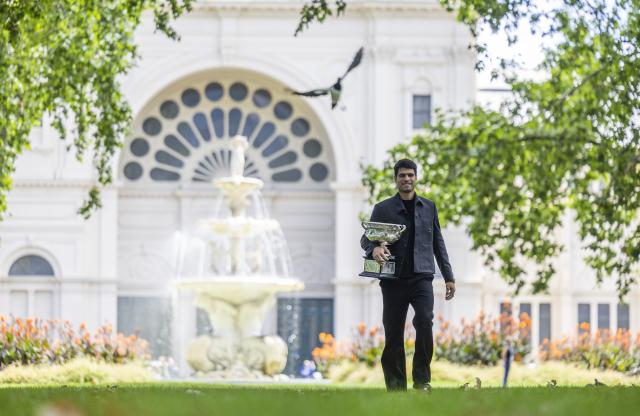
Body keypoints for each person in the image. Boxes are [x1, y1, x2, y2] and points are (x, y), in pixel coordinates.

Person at [360, 159, 456, 392]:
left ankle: (422, 381)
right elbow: (366, 239)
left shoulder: (429, 207)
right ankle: (396, 386)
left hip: (422, 277)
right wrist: (374, 248)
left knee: (424, 321)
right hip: (393, 280)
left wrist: (449, 276)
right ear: (396, 179)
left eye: (410, 175)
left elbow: (438, 243)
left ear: (416, 177)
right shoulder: (383, 208)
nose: (407, 179)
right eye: (402, 175)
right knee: (393, 332)